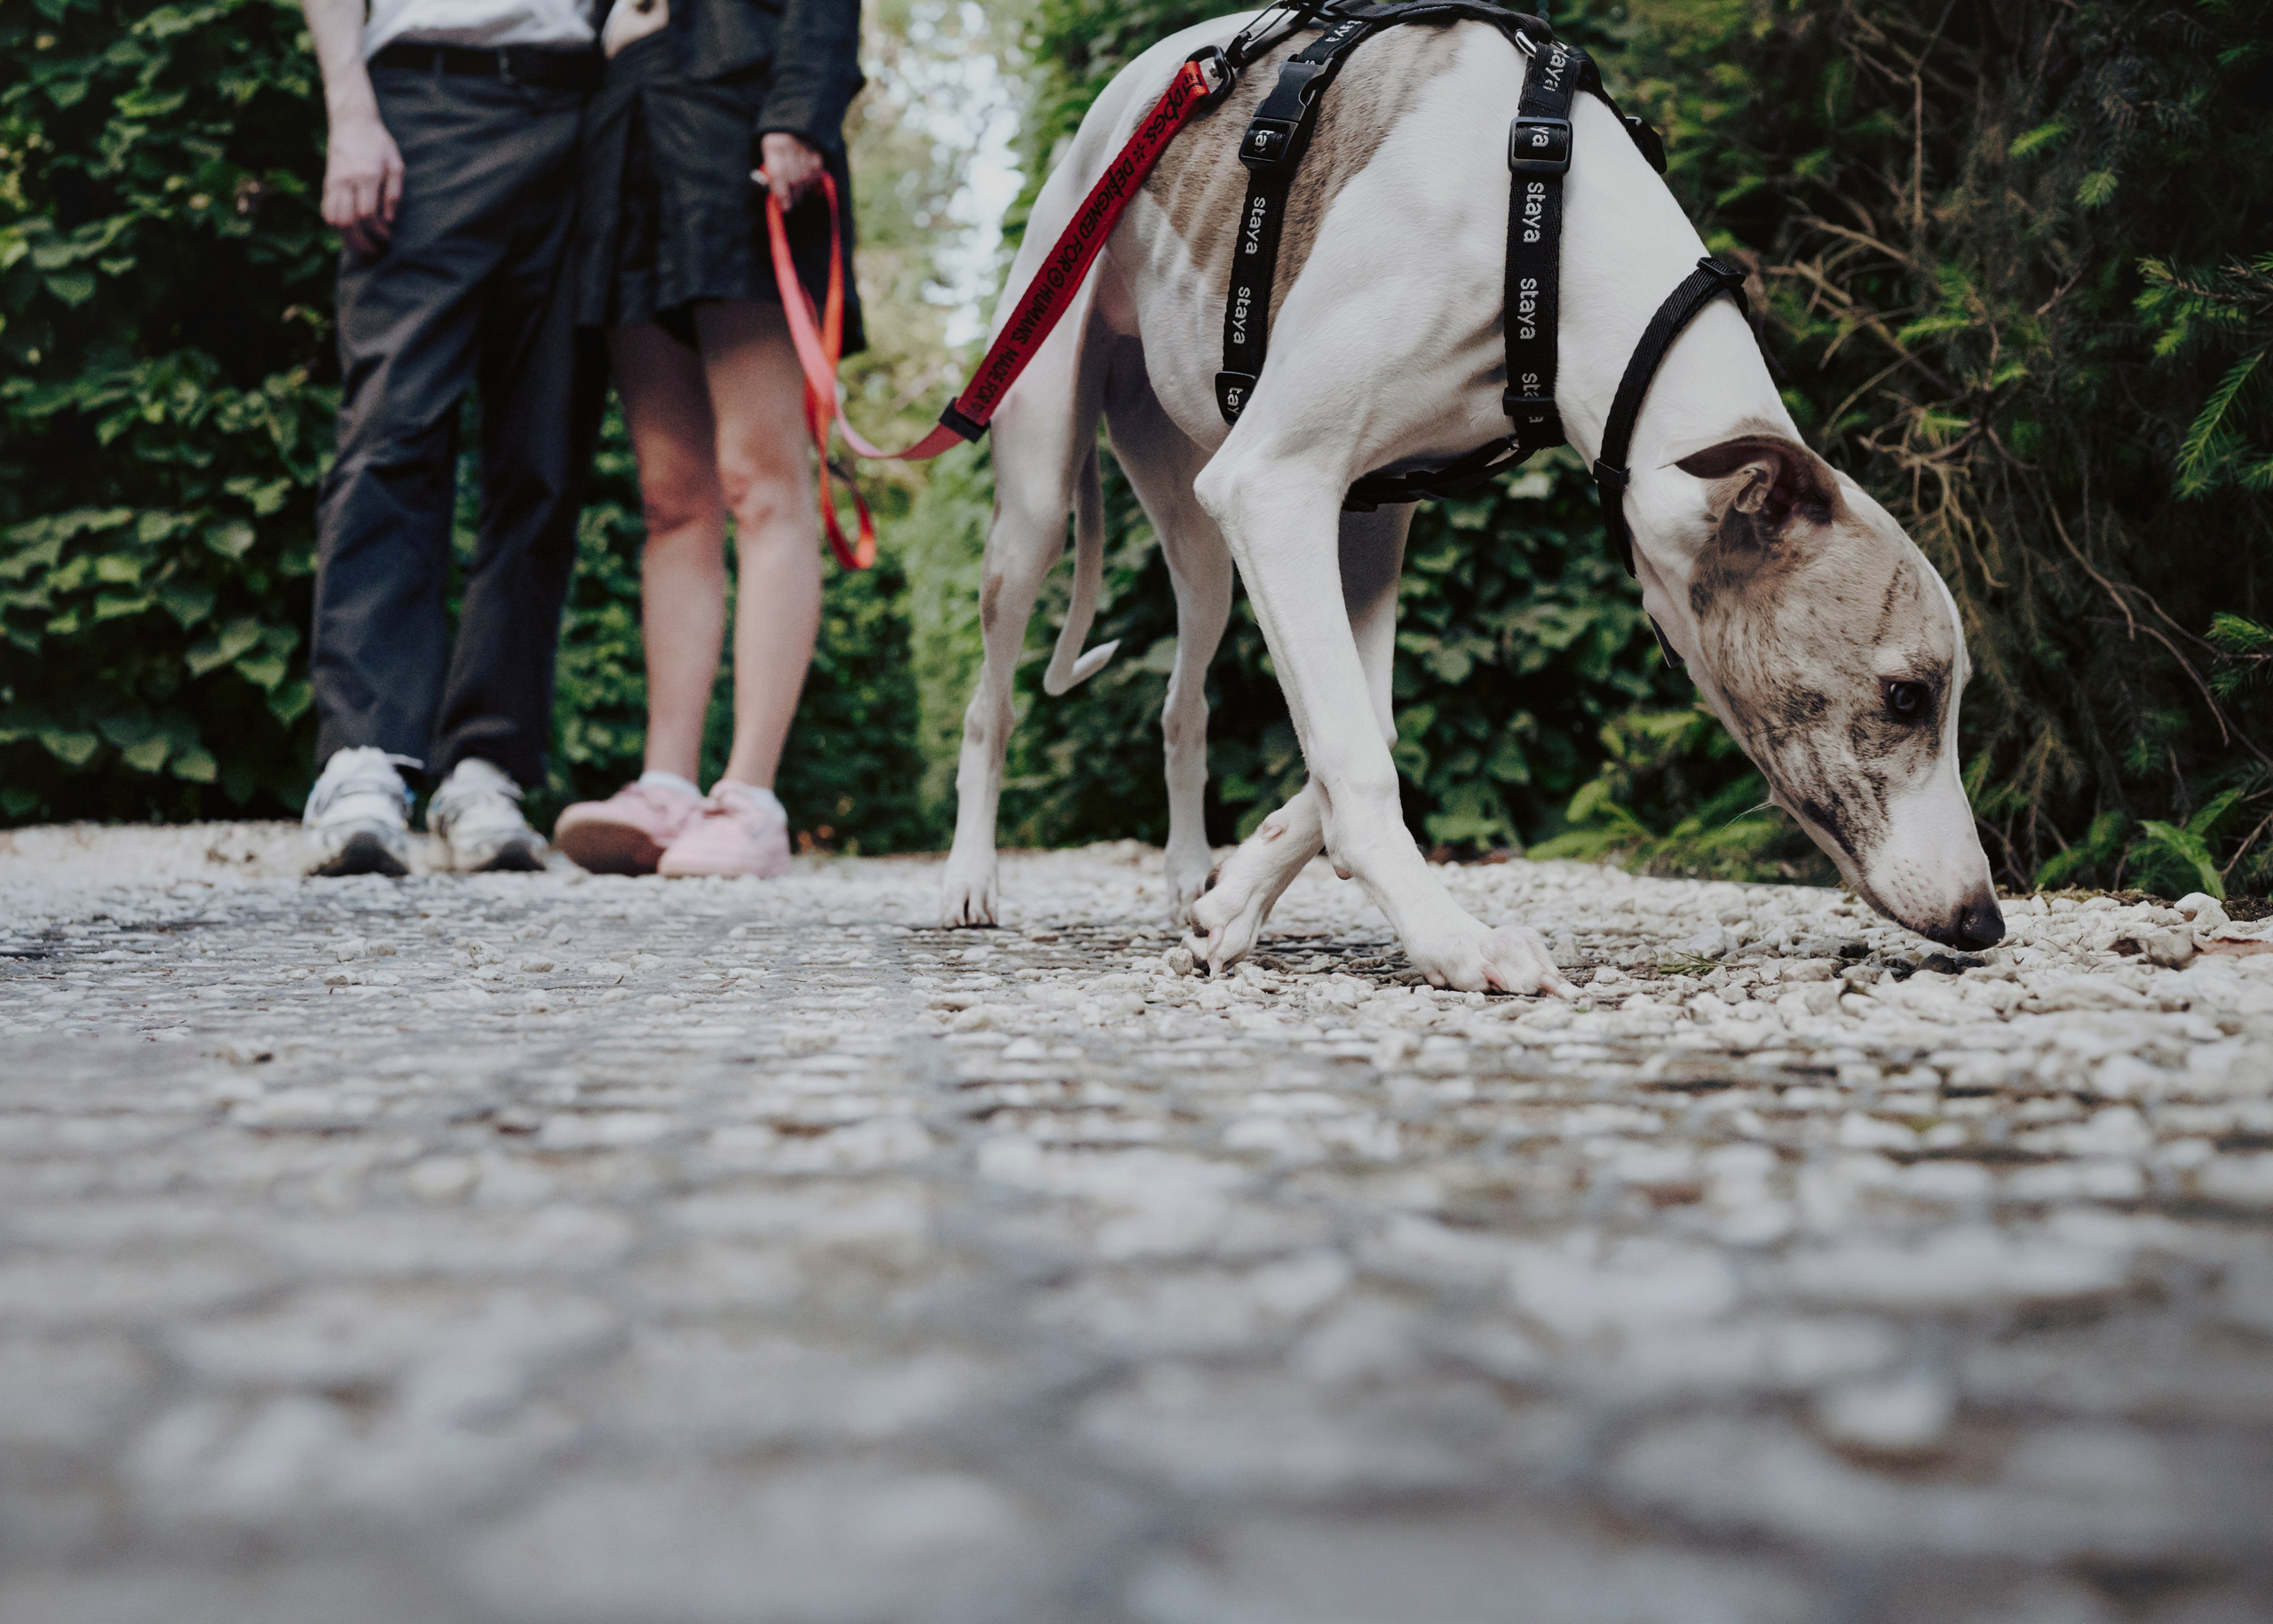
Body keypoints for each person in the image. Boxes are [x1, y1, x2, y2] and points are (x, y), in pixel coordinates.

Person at [548, 0, 863, 877]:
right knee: (670, 496)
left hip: (739, 119)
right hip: (628, 132)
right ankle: (667, 788)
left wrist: (798, 111)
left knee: (759, 480)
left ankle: (750, 798)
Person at [297, 0, 607, 876]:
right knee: (392, 432)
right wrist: (351, 110)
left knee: (544, 458)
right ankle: (363, 758)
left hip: (582, 113)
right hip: (423, 100)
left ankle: (485, 768)